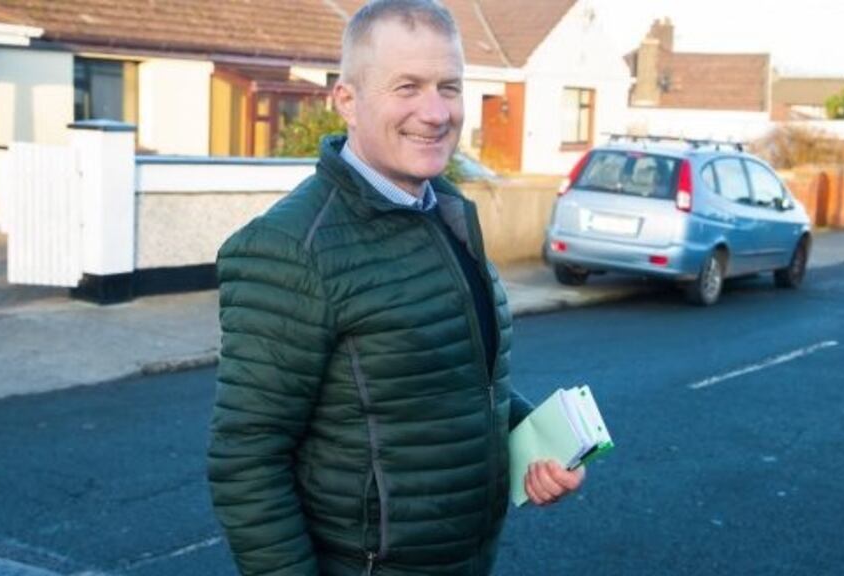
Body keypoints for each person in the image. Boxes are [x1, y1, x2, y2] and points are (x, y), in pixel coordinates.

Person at [208, 1, 584, 574]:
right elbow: (247, 460)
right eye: (406, 86)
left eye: (449, 87)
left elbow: (453, 383)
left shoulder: (447, 211)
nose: (434, 112)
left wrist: (536, 444)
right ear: (347, 101)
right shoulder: (291, 248)